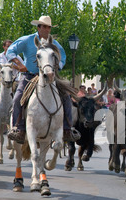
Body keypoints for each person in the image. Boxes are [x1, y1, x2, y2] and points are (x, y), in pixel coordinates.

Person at [6, 15, 79, 144]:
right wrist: (19, 64)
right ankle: (18, 129)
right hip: (29, 75)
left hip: (50, 76)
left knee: (66, 97)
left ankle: (67, 129)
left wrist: (58, 67)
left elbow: (62, 57)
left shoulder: (54, 44)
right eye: (44, 27)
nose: (47, 29)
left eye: (49, 27)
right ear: (38, 28)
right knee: (18, 97)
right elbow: (11, 50)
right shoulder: (28, 40)